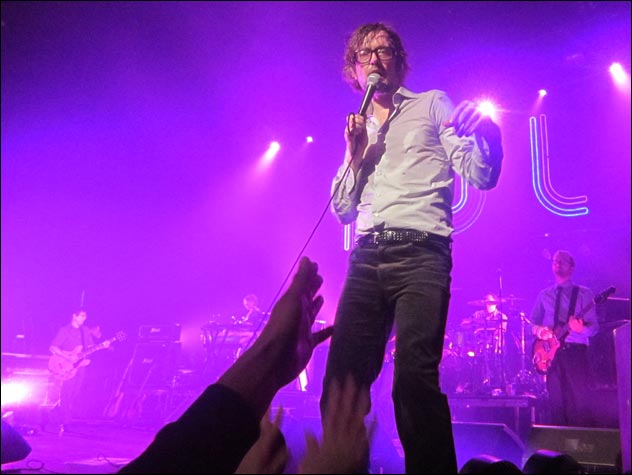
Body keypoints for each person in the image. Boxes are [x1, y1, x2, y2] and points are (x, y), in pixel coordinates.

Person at [323, 22, 504, 474]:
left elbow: (481, 174)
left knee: (413, 383)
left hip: (422, 252)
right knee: (340, 388)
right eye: (365, 54)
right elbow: (342, 210)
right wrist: (354, 153)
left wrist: (490, 135)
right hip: (366, 256)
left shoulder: (431, 104)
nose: (374, 60)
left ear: (400, 63)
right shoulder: (358, 127)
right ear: (354, 70)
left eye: (384, 51)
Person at [118, 256, 334, 474]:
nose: (247, 305)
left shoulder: (256, 314)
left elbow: (177, 458)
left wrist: (269, 351)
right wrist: (270, 354)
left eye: (248, 303)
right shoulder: (246, 316)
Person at [530, 249, 599, 427]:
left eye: (562, 261)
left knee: (580, 403)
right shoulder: (544, 295)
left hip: (575, 352)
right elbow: (532, 324)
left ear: (572, 267)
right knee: (556, 404)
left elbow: (594, 329)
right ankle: (558, 441)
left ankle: (582, 441)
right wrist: (540, 331)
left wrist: (581, 328)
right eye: (555, 261)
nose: (557, 264)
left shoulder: (584, 294)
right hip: (551, 356)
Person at [48, 308, 110, 434]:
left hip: (80, 366)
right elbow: (53, 347)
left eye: (85, 316)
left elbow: (89, 348)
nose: (83, 318)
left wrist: (102, 346)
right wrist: (68, 357)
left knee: (75, 393)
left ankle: (57, 413)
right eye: (81, 316)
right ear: (74, 316)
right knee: (67, 393)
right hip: (66, 366)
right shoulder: (65, 330)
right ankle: (65, 422)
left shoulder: (85, 331)